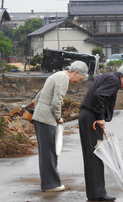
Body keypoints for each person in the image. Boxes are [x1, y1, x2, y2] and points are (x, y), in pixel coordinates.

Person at [78, 63, 123, 201]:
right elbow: (99, 96)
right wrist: (100, 117)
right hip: (92, 118)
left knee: (92, 155)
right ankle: (98, 194)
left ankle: (95, 193)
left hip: (87, 116)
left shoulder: (108, 77)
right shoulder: (114, 80)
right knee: (97, 155)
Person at [32, 61, 89, 192]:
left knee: (45, 152)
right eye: (79, 78)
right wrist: (58, 118)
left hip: (40, 116)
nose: (77, 82)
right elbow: (56, 102)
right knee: (50, 152)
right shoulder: (64, 78)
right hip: (47, 118)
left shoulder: (56, 74)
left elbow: (39, 95)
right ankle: (51, 184)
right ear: (75, 73)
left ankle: (48, 183)